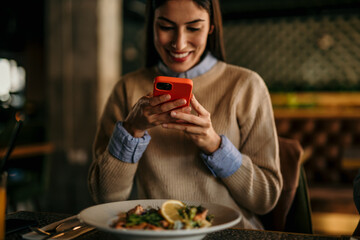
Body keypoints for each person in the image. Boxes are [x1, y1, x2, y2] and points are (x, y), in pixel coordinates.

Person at [88, 0, 282, 229]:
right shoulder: (127, 89)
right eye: (166, 27)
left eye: (193, 28)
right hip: (156, 233)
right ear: (152, 24)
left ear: (211, 27)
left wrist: (214, 145)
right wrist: (132, 131)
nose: (179, 43)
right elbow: (105, 198)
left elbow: (265, 199)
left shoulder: (247, 86)